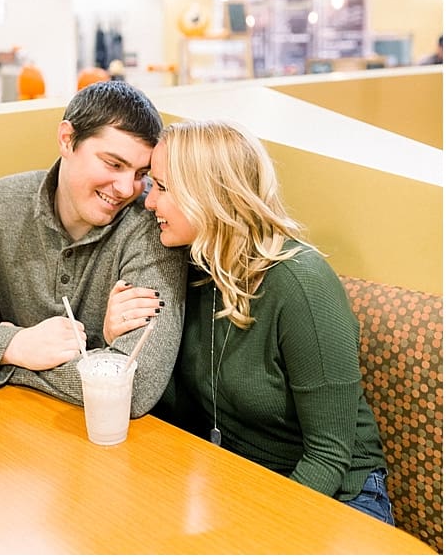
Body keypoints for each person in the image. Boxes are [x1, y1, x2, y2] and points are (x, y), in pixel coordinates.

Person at [146, 120, 392, 523]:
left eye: (162, 187)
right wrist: (119, 337)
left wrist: (263, 530)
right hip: (245, 485)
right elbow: (183, 409)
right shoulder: (195, 271)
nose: (149, 203)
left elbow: (329, 453)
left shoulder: (302, 284)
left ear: (209, 196)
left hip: (337, 494)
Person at [0, 80, 188, 418]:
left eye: (141, 173)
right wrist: (16, 346)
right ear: (67, 140)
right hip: (14, 429)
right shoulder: (1, 204)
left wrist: (8, 357)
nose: (127, 188)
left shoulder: (150, 226)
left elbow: (134, 387)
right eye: (113, 164)